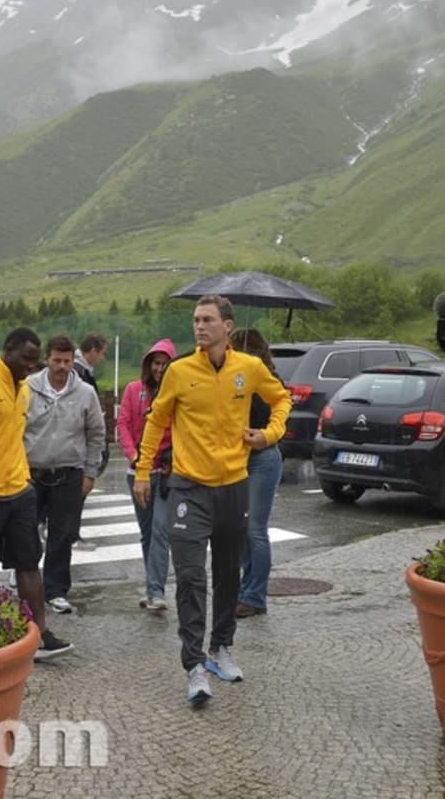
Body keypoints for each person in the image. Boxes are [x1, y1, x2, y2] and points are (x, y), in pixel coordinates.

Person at [133, 296, 291, 703]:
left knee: (226, 575)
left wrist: (269, 435)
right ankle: (194, 665)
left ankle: (221, 647)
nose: (199, 327)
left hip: (234, 485)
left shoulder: (249, 368)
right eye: (195, 320)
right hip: (189, 487)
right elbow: (156, 420)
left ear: (227, 325)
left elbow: (282, 399)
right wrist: (142, 470)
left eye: (207, 320)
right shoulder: (180, 370)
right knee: (189, 576)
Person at [0, 326, 72, 660]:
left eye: (35, 361)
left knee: (29, 563)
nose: (31, 367)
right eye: (26, 359)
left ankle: (38, 636)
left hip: (19, 492)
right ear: (7, 350)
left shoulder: (24, 389)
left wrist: (25, 482)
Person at [25, 335, 106, 614]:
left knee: (62, 535)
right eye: (56, 360)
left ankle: (56, 590)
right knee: (26, 530)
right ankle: (25, 580)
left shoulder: (85, 392)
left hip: (69, 473)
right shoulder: (27, 388)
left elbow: (97, 434)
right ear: (47, 359)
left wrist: (90, 472)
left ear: (73, 360)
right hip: (30, 473)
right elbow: (13, 429)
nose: (61, 366)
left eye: (67, 361)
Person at [117, 338, 177, 611]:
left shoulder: (177, 394)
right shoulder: (133, 390)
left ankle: (156, 591)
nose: (160, 369)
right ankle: (153, 585)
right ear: (148, 364)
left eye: (165, 364)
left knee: (161, 530)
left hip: (165, 472)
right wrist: (134, 456)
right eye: (156, 363)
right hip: (138, 472)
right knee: (147, 534)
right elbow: (124, 424)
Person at [229, 328, 284, 619]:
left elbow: (280, 412)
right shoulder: (231, 377)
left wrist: (265, 434)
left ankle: (255, 595)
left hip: (262, 457)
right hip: (237, 458)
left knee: (255, 529)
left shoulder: (267, 380)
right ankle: (245, 589)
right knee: (240, 529)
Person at [73, 331, 109, 479]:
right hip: (79, 442)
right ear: (93, 350)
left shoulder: (82, 371)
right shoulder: (79, 373)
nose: (102, 358)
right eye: (102, 353)